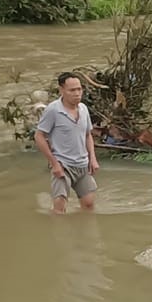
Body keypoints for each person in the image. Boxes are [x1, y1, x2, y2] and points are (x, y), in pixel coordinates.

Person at [34, 72, 100, 214]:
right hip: (63, 166)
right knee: (59, 209)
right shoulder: (53, 110)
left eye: (79, 89)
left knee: (89, 205)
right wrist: (54, 163)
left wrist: (92, 159)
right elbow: (39, 136)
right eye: (72, 90)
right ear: (61, 90)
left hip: (82, 165)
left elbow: (88, 135)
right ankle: (58, 234)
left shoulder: (83, 109)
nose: (77, 93)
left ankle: (84, 233)